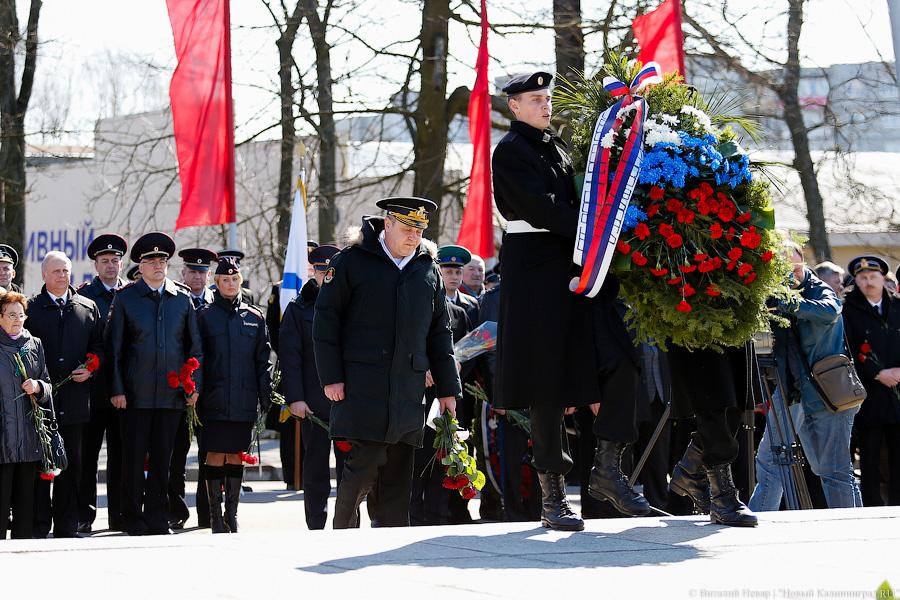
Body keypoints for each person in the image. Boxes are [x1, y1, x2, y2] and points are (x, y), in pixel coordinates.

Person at [492, 71, 648, 531]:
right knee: (547, 386)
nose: (544, 105)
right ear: (514, 106)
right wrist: (597, 226)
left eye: (546, 98)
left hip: (578, 265)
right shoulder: (511, 152)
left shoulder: (557, 145)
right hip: (538, 271)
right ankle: (553, 496)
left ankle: (607, 467)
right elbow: (540, 209)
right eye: (535, 99)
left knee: (621, 360)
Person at [313, 197, 461, 529]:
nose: (413, 238)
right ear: (388, 224)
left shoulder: (427, 269)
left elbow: (440, 332)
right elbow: (326, 321)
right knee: (361, 470)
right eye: (407, 229)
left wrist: (448, 389)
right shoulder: (352, 261)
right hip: (363, 385)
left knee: (399, 472)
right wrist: (331, 378)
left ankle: (391, 544)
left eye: (419, 231)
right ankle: (342, 534)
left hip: (407, 389)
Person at [749, 242, 862, 511]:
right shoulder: (770, 296)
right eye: (782, 267)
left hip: (827, 392)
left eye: (794, 264)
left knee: (833, 470)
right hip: (791, 389)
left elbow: (829, 311)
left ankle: (853, 529)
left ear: (802, 263)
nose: (790, 271)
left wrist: (788, 303)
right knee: (770, 460)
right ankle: (756, 523)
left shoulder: (818, 288)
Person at [106, 232, 203, 536]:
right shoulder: (126, 299)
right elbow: (115, 349)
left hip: (172, 396)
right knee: (133, 460)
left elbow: (195, 348)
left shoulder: (182, 298)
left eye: (162, 260)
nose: (158, 265)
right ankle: (133, 517)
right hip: (135, 395)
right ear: (141, 265)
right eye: (152, 261)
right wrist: (117, 389)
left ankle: (159, 517)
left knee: (165, 461)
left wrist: (193, 385)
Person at [27, 251, 104, 538]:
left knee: (71, 465)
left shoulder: (86, 307)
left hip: (75, 401)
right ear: (44, 275)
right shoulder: (31, 309)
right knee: (40, 467)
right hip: (40, 402)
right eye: (57, 271)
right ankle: (38, 525)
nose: (62, 276)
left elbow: (99, 346)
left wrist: (92, 368)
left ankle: (66, 525)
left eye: (66, 270)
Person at [196, 257, 271, 533]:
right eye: (225, 280)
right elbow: (198, 358)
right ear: (216, 283)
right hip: (213, 398)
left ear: (240, 281)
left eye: (235, 279)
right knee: (215, 453)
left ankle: (232, 513)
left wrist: (265, 396)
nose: (230, 283)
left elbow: (263, 360)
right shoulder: (204, 316)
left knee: (236, 454)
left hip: (243, 398)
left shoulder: (254, 317)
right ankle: (215, 515)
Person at [281, 245, 348, 529]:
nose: (325, 276)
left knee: (350, 468)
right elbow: (290, 358)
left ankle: (347, 521)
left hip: (348, 402)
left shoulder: (350, 304)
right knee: (316, 467)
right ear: (313, 272)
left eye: (330, 271)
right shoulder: (298, 308)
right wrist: (295, 398)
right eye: (321, 271)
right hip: (313, 403)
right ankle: (316, 524)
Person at [77, 233, 128, 533]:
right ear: (95, 265)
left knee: (122, 456)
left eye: (115, 260)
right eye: (104, 261)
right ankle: (84, 514)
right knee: (87, 457)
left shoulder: (132, 293)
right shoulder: (84, 296)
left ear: (122, 263)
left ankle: (119, 515)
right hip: (94, 391)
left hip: (124, 390)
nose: (110, 266)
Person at [842, 256, 900, 506]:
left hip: (898, 391)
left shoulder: (897, 306)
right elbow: (848, 347)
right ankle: (873, 507)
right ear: (856, 281)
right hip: (868, 392)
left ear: (883, 279)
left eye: (873, 277)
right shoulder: (848, 309)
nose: (868, 282)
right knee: (870, 455)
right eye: (863, 278)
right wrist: (878, 373)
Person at [168, 247, 218, 530]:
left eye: (202, 272)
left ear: (208, 275)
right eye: (192, 271)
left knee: (208, 455)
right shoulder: (176, 300)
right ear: (183, 273)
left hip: (209, 392)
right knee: (176, 454)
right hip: (180, 390)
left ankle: (206, 512)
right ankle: (175, 509)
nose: (197, 277)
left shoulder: (217, 300)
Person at [0, 291, 52, 539]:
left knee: (25, 503)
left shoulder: (35, 344)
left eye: (21, 315)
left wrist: (39, 387)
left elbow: (47, 383)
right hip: (3, 438)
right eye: (11, 315)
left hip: (30, 436)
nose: (17, 320)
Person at [439, 245, 479, 327]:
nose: (455, 277)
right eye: (449, 272)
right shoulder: (431, 303)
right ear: (439, 273)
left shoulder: (472, 303)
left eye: (458, 272)